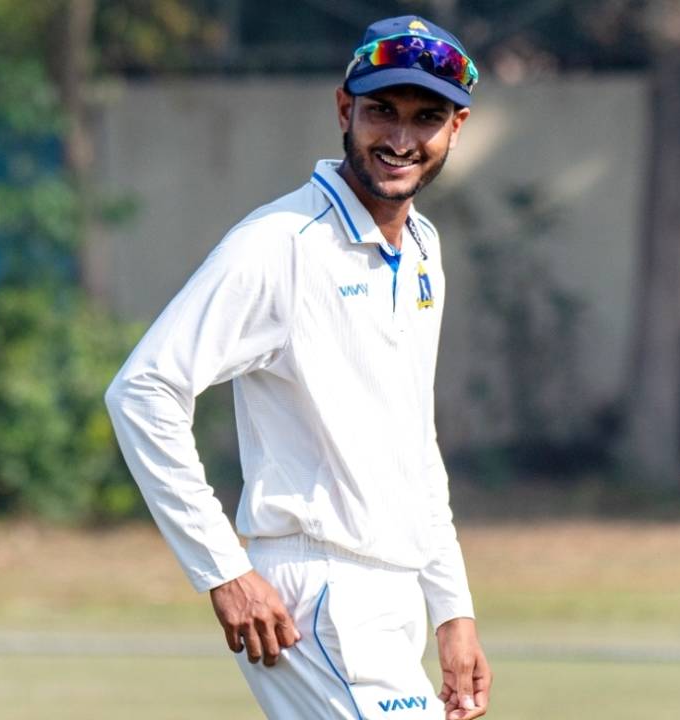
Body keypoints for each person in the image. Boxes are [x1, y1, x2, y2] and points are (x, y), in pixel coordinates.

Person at [105, 15, 491, 720]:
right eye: (382, 111)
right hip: (318, 593)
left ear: (455, 128)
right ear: (345, 110)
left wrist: (451, 608)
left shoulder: (423, 248)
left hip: (393, 590)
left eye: (426, 118)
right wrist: (224, 569)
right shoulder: (280, 244)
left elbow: (412, 441)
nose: (401, 139)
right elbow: (143, 391)